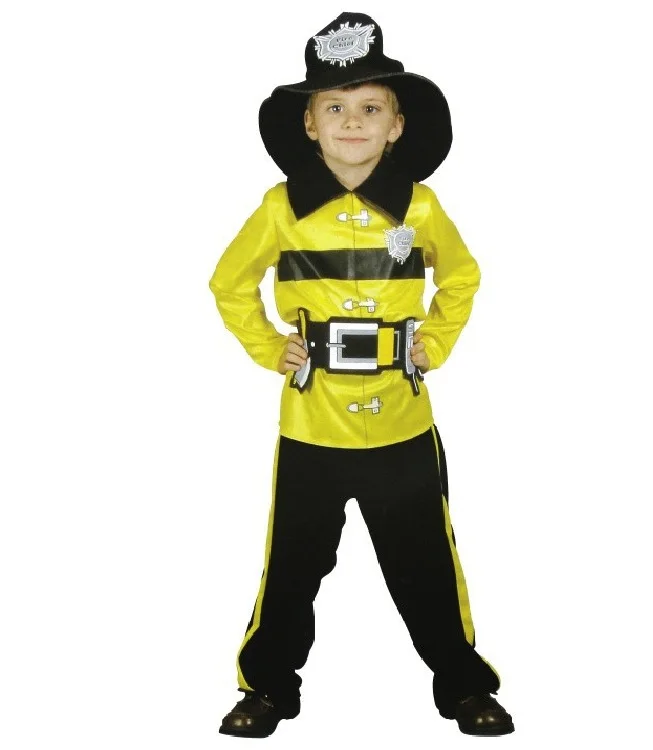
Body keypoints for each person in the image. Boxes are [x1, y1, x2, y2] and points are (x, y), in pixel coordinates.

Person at [209, 12, 514, 738]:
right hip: (311, 423)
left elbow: (462, 277)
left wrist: (434, 341)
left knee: (427, 562)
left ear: (397, 125)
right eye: (335, 107)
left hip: (402, 421)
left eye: (371, 107)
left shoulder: (422, 206)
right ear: (309, 124)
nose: (353, 122)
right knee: (292, 566)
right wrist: (268, 346)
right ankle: (267, 688)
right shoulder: (280, 208)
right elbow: (228, 283)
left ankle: (463, 684)